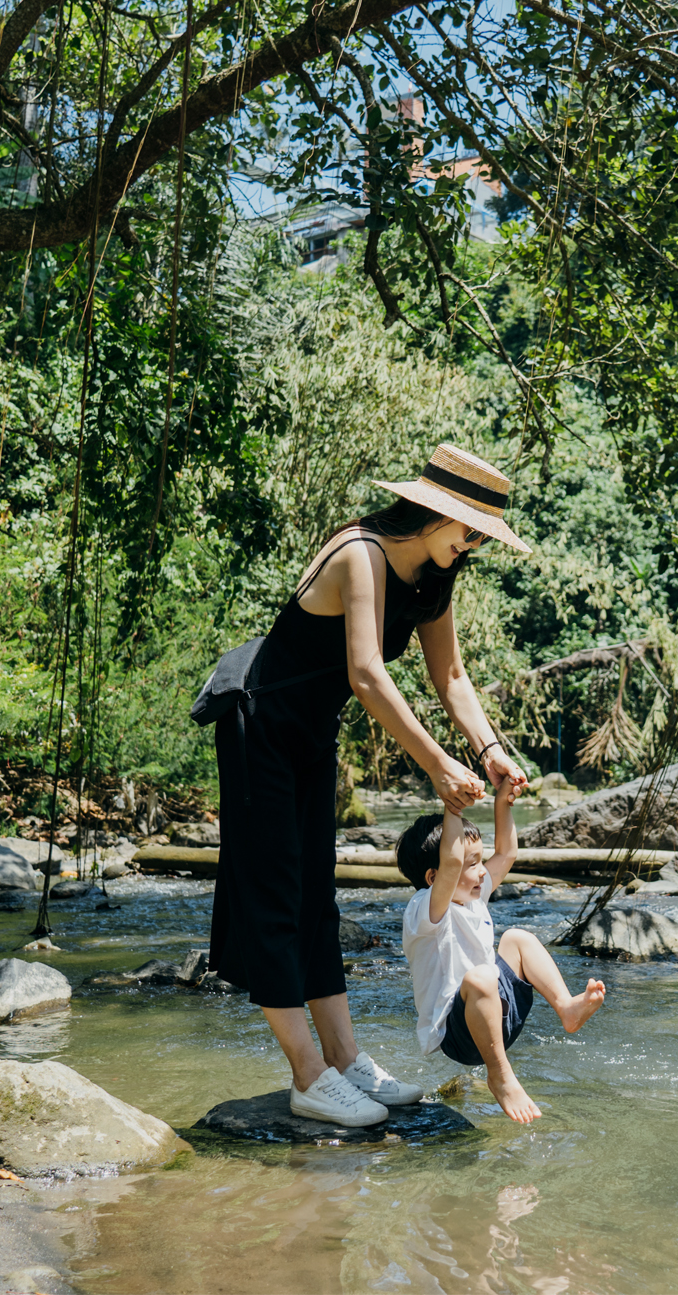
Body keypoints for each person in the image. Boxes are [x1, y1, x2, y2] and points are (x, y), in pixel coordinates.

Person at [209, 444, 534, 1128]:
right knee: (276, 895)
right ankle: (307, 1075)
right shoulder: (361, 551)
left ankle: (344, 1057)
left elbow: (451, 676)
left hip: (311, 733)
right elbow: (366, 674)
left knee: (316, 895)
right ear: (436, 511)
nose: (473, 545)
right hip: (259, 722)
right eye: (469, 530)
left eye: (481, 536)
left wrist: (490, 750)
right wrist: (438, 764)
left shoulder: (436, 577)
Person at [397, 781, 607, 1124]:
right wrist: (453, 807)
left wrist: (503, 801)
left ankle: (567, 1008)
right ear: (433, 877)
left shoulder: (472, 893)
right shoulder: (424, 911)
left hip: (498, 1010)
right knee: (481, 977)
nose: (482, 871)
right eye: (471, 863)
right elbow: (451, 865)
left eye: (481, 861)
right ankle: (500, 1075)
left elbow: (507, 853)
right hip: (460, 1033)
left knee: (517, 937)